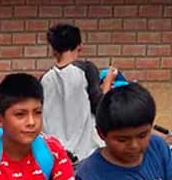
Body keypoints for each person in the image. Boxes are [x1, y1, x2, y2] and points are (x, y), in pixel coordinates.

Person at [40, 23, 118, 162]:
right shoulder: (86, 70)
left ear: (53, 50)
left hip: (55, 155)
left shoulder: (45, 79)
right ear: (79, 46)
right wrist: (107, 82)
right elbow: (101, 107)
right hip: (85, 153)